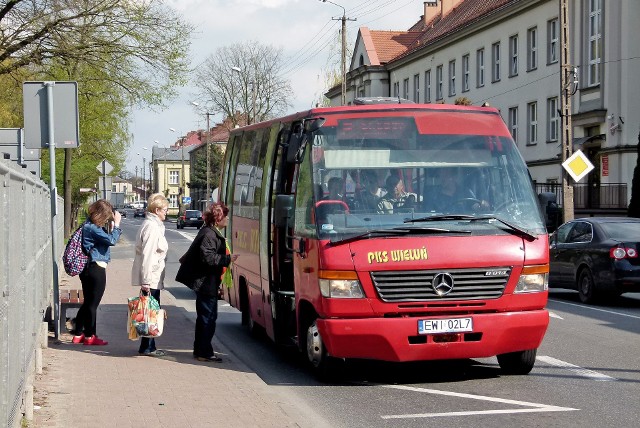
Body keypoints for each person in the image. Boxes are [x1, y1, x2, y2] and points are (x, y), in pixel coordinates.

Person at [176, 202, 238, 363]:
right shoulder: (209, 234)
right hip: (204, 283)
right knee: (207, 318)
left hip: (208, 282)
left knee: (208, 317)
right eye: (225, 215)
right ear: (218, 219)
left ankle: (202, 350)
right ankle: (203, 352)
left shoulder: (210, 232)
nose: (228, 218)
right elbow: (208, 258)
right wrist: (228, 259)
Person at [72, 199, 122, 346]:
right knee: (93, 304)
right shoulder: (93, 228)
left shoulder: (88, 225)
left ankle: (78, 334)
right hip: (96, 268)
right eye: (106, 216)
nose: (108, 218)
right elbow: (111, 240)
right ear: (101, 214)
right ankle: (89, 336)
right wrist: (117, 224)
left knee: (88, 302)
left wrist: (111, 225)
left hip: (88, 268)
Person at [131, 193, 169, 357]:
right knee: (150, 312)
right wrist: (146, 281)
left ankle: (149, 345)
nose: (166, 213)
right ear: (157, 210)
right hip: (151, 277)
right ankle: (147, 346)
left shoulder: (154, 225)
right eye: (165, 210)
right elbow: (148, 255)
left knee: (150, 311)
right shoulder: (152, 228)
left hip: (153, 276)